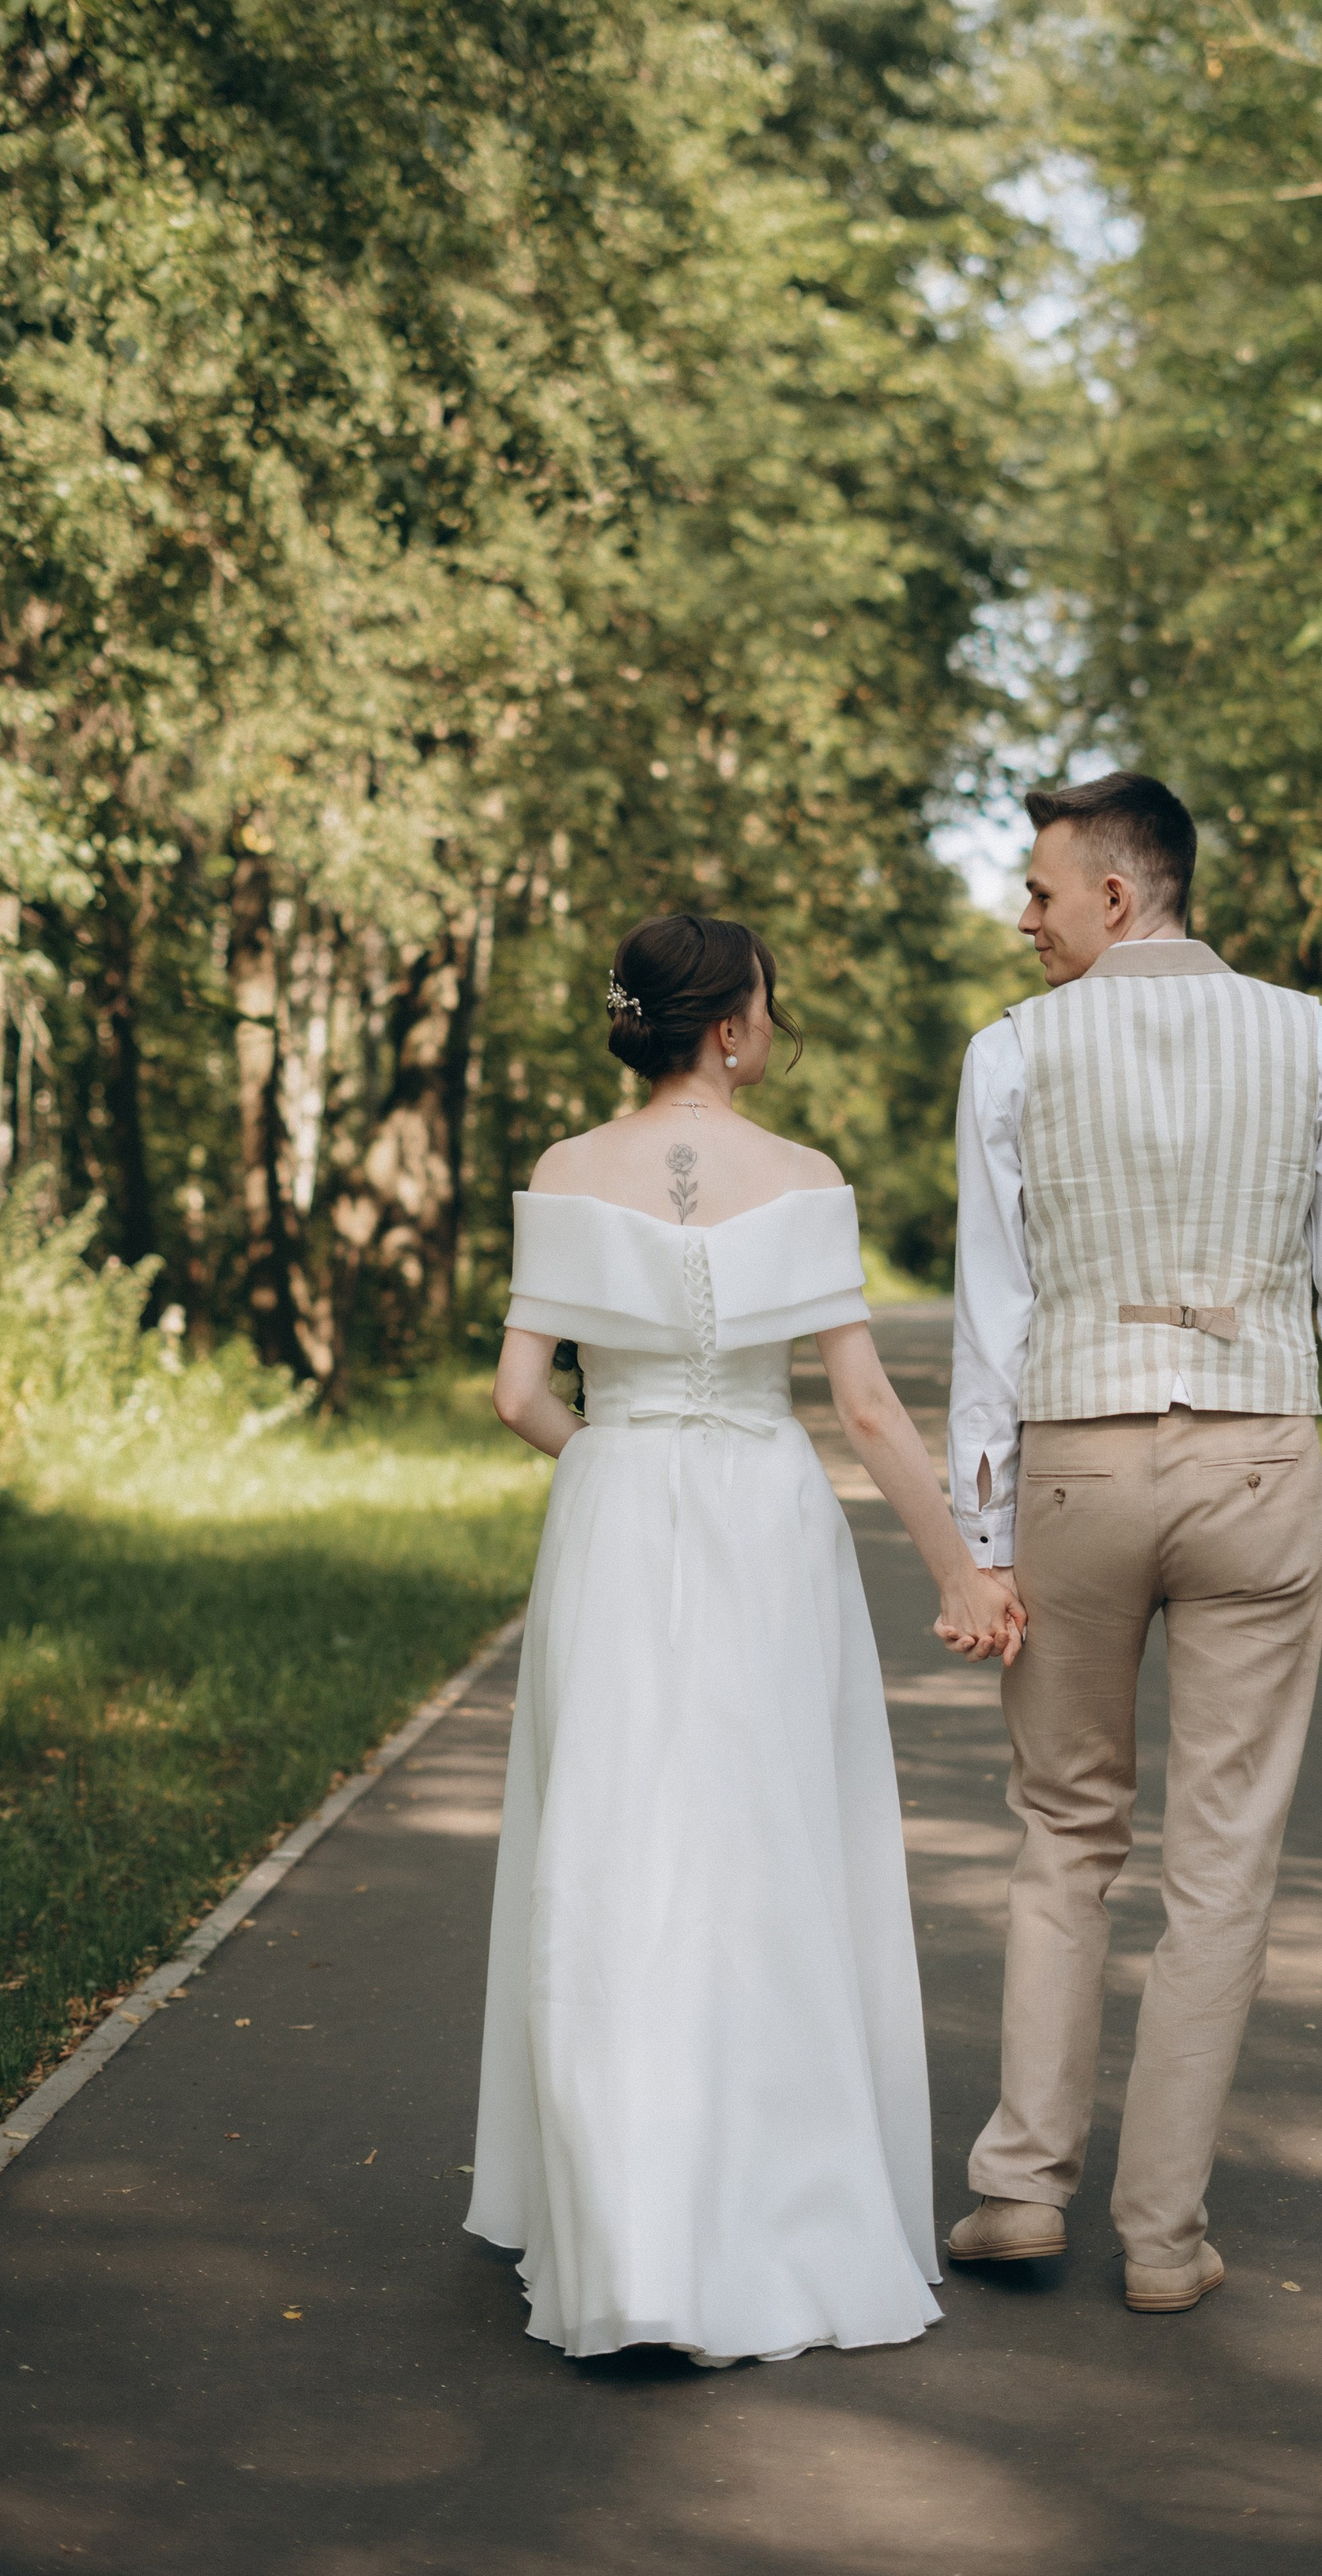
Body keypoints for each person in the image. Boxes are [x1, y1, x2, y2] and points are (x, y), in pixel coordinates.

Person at [467, 911, 1023, 2368]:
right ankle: (774, 2202)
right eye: (766, 1002)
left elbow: (519, 1392)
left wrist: (616, 1449)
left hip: (618, 1502)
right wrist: (962, 1570)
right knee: (766, 1839)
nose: (773, 1022)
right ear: (728, 1027)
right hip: (764, 1523)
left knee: (611, 1841)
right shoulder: (806, 1178)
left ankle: (622, 2225)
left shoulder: (564, 1172)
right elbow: (865, 1410)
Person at [943, 771, 1322, 2313]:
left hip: (1073, 1461)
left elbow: (990, 1312)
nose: (1024, 916)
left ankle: (1018, 2185)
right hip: (1256, 1457)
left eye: (1038, 891)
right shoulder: (1314, 1042)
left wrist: (982, 1529)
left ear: (1116, 896)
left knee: (1062, 1829)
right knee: (1217, 1860)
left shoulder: (1008, 1054)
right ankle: (1160, 2236)